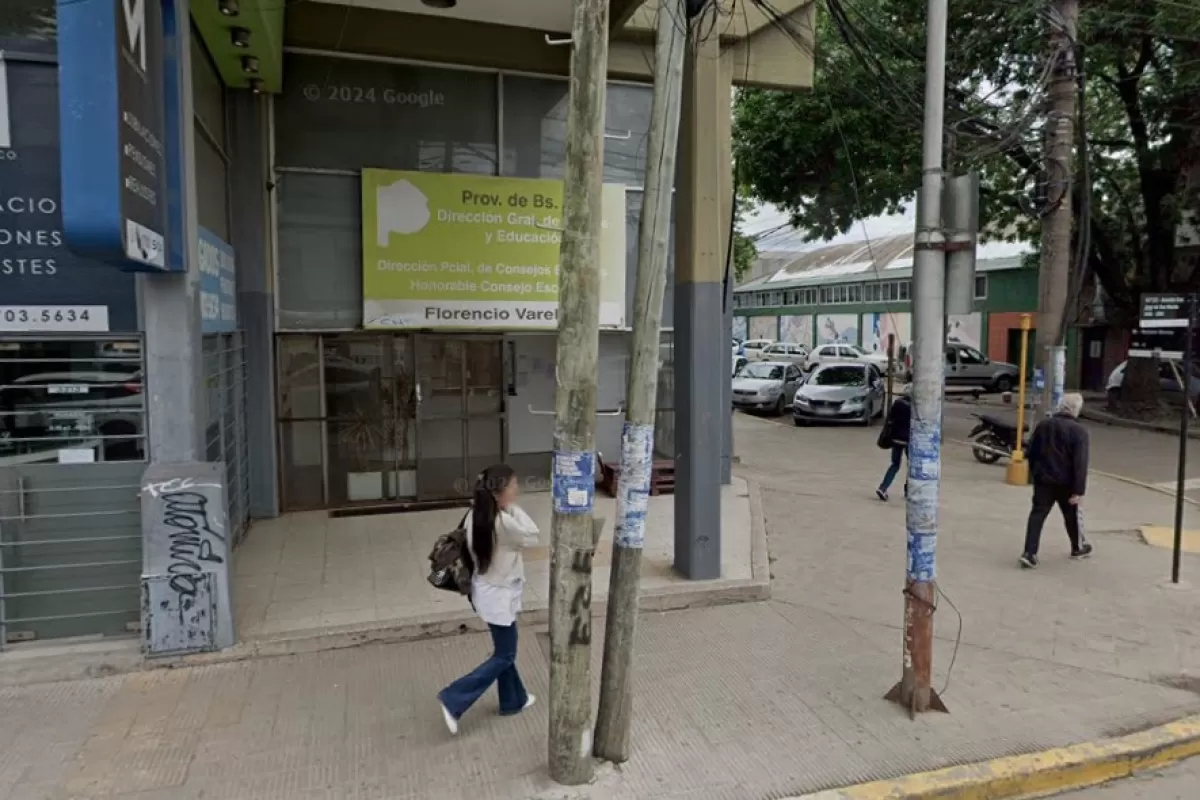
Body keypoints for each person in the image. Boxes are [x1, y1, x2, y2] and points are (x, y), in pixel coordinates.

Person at [437, 464, 540, 734]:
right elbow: (533, 534)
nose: (517, 491)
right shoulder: (503, 523)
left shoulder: (476, 515)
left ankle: (513, 700)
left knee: (504, 651)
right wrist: (512, 508)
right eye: (513, 486)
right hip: (499, 595)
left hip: (487, 591)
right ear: (498, 492)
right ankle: (453, 698)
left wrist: (505, 506)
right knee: (505, 655)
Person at [1020, 393, 1094, 568]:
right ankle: (1077, 547)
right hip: (1066, 482)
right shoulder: (1079, 431)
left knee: (1037, 514)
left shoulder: (1043, 425)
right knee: (1071, 515)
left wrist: (1034, 474)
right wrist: (1078, 490)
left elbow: (1031, 451)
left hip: (1043, 479)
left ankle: (1029, 553)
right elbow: (1080, 463)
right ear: (1076, 409)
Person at [876, 384, 912, 502]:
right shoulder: (917, 407)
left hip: (896, 438)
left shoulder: (897, 403)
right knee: (912, 465)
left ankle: (883, 487)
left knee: (895, 464)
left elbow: (890, 419)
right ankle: (909, 489)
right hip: (909, 440)